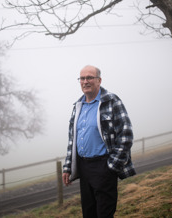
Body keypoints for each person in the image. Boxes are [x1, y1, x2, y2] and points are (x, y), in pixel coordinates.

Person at [62, 65, 136, 218]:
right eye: (82, 78)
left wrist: (112, 167)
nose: (85, 81)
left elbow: (126, 135)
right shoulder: (78, 106)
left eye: (90, 77)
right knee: (89, 214)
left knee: (104, 214)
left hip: (104, 167)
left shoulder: (111, 101)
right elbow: (72, 140)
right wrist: (68, 166)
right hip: (84, 168)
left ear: (99, 80)